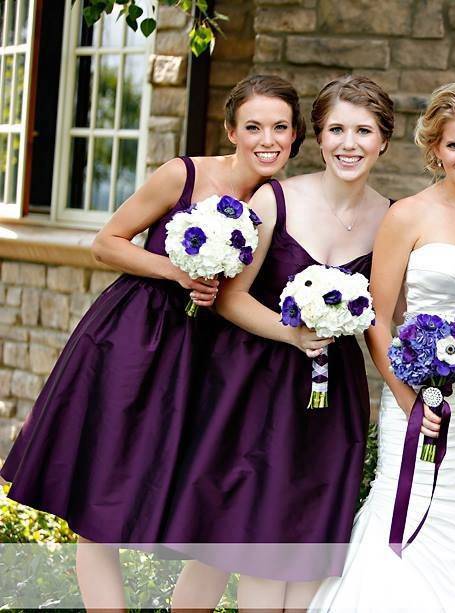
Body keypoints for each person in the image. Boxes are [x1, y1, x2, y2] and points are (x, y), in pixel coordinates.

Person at [0, 74, 298, 608]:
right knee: (102, 500)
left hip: (210, 362)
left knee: (195, 504)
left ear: (296, 137)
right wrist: (175, 270)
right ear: (231, 130)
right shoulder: (182, 175)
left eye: (280, 127)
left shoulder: (284, 202)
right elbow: (106, 242)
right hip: (135, 342)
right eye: (253, 126)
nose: (267, 139)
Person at [166, 75, 395, 610]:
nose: (349, 143)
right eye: (336, 129)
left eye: (363, 131)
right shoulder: (276, 200)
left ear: (383, 140)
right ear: (317, 136)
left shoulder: (392, 217)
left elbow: (388, 315)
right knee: (225, 538)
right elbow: (229, 298)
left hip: (330, 400)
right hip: (254, 385)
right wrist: (292, 334)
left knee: (308, 535)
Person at [310, 81, 455, 611]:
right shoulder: (407, 215)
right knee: (408, 518)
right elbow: (378, 320)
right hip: (419, 401)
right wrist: (409, 399)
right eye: (454, 145)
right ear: (434, 149)